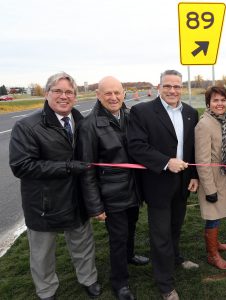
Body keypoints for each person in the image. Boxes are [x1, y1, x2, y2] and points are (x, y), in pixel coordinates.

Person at [9, 72, 101, 300]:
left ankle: (88, 279)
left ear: (75, 97)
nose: (64, 96)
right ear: (47, 94)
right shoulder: (27, 126)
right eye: (58, 91)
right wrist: (67, 167)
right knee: (42, 254)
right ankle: (46, 290)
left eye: (69, 92)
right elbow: (22, 166)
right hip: (44, 202)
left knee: (83, 244)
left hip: (76, 198)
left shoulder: (82, 122)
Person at [127, 70, 199, 300]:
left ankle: (175, 258)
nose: (172, 90)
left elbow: (192, 149)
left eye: (177, 86)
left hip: (183, 182)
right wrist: (166, 162)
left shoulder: (190, 112)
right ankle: (165, 284)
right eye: (167, 86)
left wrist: (194, 175)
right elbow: (136, 146)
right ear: (159, 87)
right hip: (157, 183)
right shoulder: (142, 111)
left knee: (176, 227)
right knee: (160, 235)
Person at [77, 76, 149, 300]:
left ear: (124, 94)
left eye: (117, 92)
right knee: (117, 238)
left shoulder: (130, 117)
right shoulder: (89, 125)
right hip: (111, 194)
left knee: (131, 227)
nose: (114, 97)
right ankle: (120, 283)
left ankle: (129, 256)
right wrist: (95, 206)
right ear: (98, 95)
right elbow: (87, 170)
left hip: (133, 188)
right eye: (107, 93)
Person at [195, 86, 226, 270]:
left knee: (218, 214)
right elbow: (201, 160)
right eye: (215, 100)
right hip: (212, 179)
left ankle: (216, 244)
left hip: (223, 175)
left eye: (223, 100)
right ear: (208, 103)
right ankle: (212, 254)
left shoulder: (223, 121)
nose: (220, 104)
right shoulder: (204, 125)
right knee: (213, 215)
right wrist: (209, 189)